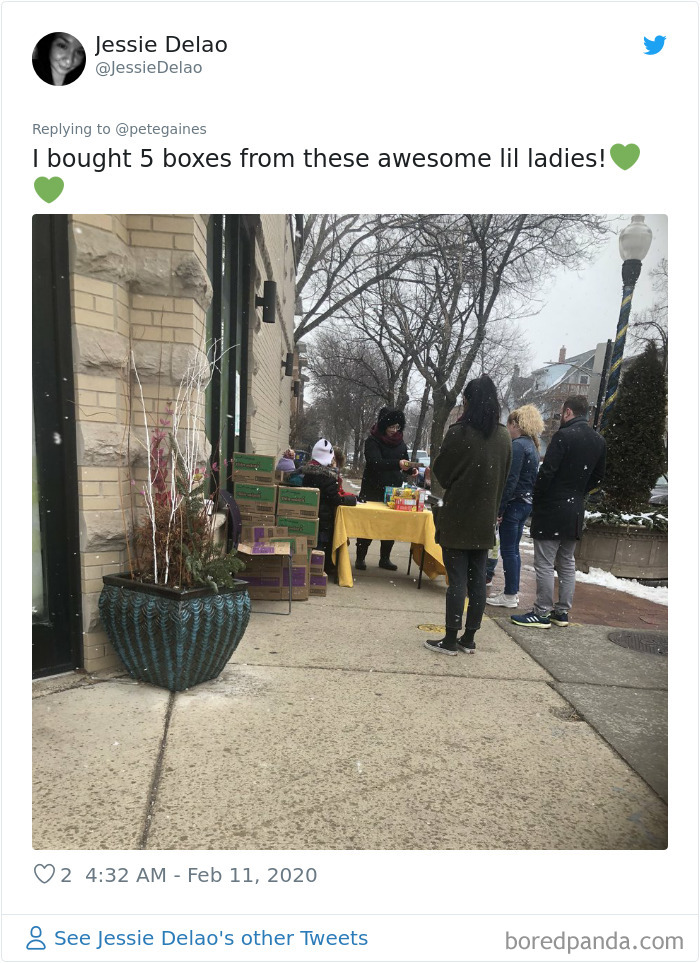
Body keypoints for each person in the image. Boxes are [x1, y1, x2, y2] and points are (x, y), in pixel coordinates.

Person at [425, 376, 512, 656]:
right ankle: (469, 637)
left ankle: (450, 639)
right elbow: (505, 478)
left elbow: (442, 474)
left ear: (468, 401)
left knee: (457, 580)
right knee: (477, 581)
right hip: (484, 519)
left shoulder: (459, 433)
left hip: (457, 516)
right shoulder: (503, 437)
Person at [511, 395, 606, 629]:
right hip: (574, 508)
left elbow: (548, 472)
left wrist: (540, 498)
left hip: (553, 507)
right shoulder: (598, 440)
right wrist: (578, 490)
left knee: (544, 563)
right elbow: (599, 476)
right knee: (566, 562)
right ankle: (561, 611)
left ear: (568, 412)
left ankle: (541, 612)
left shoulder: (563, 437)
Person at [486, 405, 544, 608]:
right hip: (525, 503)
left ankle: (510, 594)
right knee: (514, 550)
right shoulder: (532, 446)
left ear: (515, 424)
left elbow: (511, 480)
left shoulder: (518, 446)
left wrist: (499, 509)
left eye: (509, 425)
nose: (508, 430)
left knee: (509, 550)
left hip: (514, 504)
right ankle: (512, 591)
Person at [356, 407, 417, 571]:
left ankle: (385, 558)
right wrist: (396, 464)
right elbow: (375, 462)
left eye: (397, 427)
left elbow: (405, 461)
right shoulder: (372, 441)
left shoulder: (400, 442)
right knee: (368, 524)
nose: (394, 430)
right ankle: (360, 557)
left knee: (390, 525)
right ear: (383, 426)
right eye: (391, 427)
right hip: (372, 488)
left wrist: (411, 469)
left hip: (393, 489)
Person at [302, 438, 357, 574]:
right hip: (324, 518)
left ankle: (312, 568)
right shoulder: (327, 477)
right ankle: (320, 570)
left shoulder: (308, 473)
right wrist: (352, 500)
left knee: (313, 544)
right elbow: (335, 498)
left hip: (311, 514)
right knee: (322, 545)